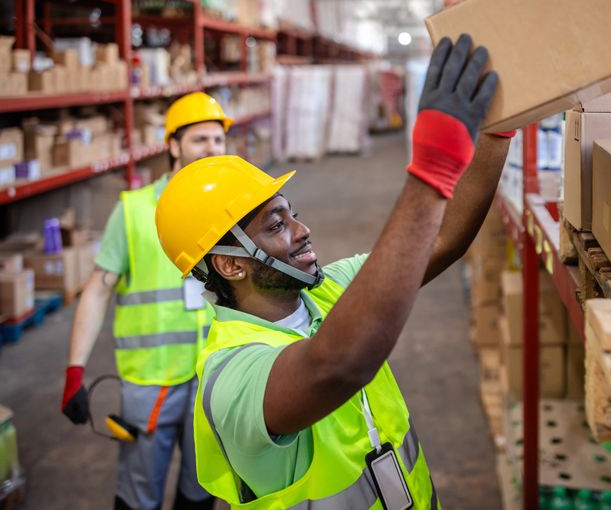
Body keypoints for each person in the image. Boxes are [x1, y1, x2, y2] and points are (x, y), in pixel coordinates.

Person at [154, 34, 514, 509]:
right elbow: (335, 365)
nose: (303, 231)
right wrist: (431, 170)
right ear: (229, 264)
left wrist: (497, 131)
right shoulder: (231, 376)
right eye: (277, 226)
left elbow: (441, 239)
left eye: (292, 213)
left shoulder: (330, 292)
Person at [60, 92, 232, 510]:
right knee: (139, 495)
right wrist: (74, 369)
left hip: (212, 376)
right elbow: (98, 289)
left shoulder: (231, 210)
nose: (211, 149)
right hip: (151, 380)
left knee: (202, 490)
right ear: (172, 145)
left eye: (218, 140)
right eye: (199, 140)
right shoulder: (135, 211)